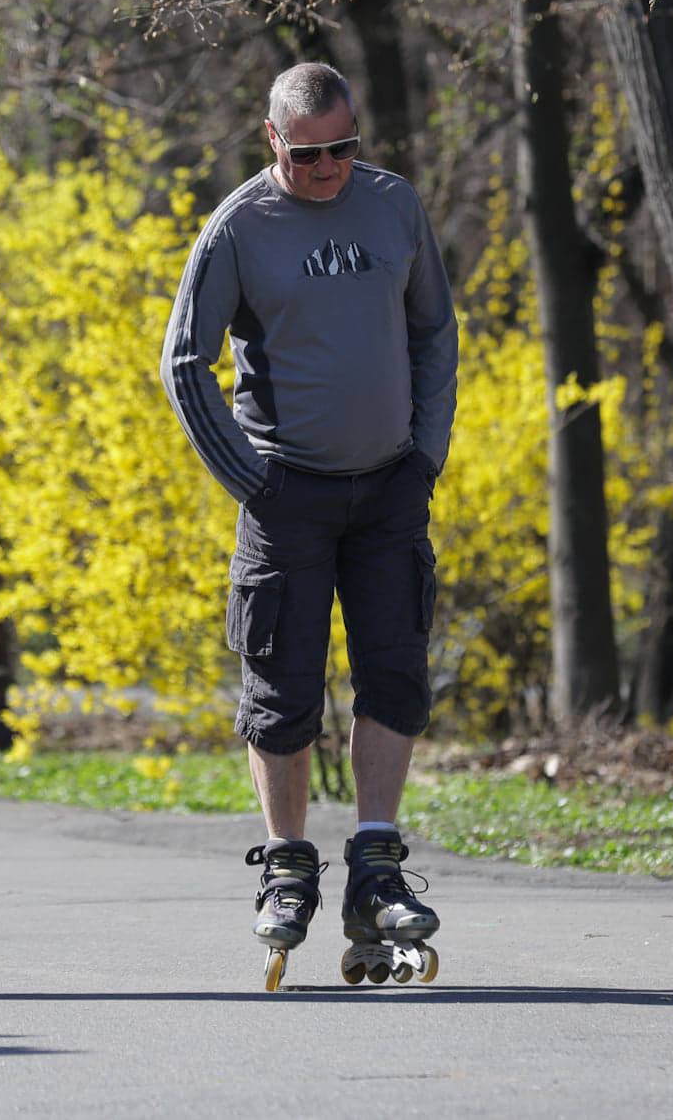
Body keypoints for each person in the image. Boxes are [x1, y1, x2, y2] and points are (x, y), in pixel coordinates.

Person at [160, 61, 457, 988]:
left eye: (345, 147)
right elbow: (185, 362)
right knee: (283, 690)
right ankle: (287, 866)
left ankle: (375, 862)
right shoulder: (239, 228)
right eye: (310, 152)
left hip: (389, 488)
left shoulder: (393, 205)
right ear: (274, 141)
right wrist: (250, 480)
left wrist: (427, 450)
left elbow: (434, 330)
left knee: (395, 674)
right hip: (287, 492)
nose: (330, 166)